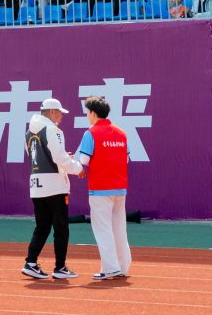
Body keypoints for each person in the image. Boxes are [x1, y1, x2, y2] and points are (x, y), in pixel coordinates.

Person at [23, 95, 81, 281]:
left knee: (42, 226)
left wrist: (64, 158)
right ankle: (60, 267)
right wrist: (77, 168)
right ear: (52, 112)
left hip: (36, 185)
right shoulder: (53, 129)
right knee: (61, 227)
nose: (62, 116)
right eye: (60, 113)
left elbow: (38, 156)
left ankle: (31, 262)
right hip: (55, 186)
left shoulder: (29, 132)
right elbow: (59, 158)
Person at [77, 95, 134, 281]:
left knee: (103, 229)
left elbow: (83, 160)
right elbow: (126, 159)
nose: (87, 115)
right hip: (120, 188)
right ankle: (122, 266)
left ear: (93, 113)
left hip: (100, 188)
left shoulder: (91, 133)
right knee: (119, 228)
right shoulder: (121, 133)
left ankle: (110, 268)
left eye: (88, 112)